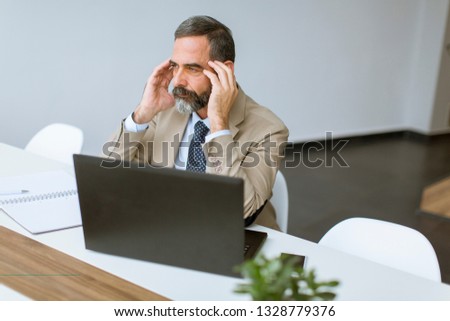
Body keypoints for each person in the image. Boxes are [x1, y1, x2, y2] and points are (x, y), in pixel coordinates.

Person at [104, 15, 289, 230]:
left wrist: (219, 126)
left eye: (192, 69)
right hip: (168, 227)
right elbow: (107, 177)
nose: (178, 81)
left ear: (225, 70)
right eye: (175, 66)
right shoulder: (165, 111)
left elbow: (242, 210)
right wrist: (141, 115)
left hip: (236, 237)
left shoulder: (269, 129)